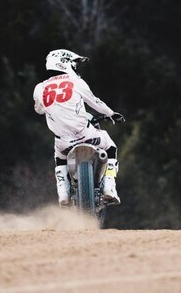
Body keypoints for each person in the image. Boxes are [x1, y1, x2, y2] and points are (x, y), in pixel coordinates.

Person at [33, 49, 124, 206]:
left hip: (63, 143)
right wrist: (112, 114)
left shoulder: (39, 88)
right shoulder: (76, 82)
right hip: (86, 134)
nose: (75, 68)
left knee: (59, 159)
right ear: (66, 63)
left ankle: (63, 194)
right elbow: (95, 102)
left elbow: (39, 109)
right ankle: (110, 187)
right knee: (110, 147)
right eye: (74, 65)